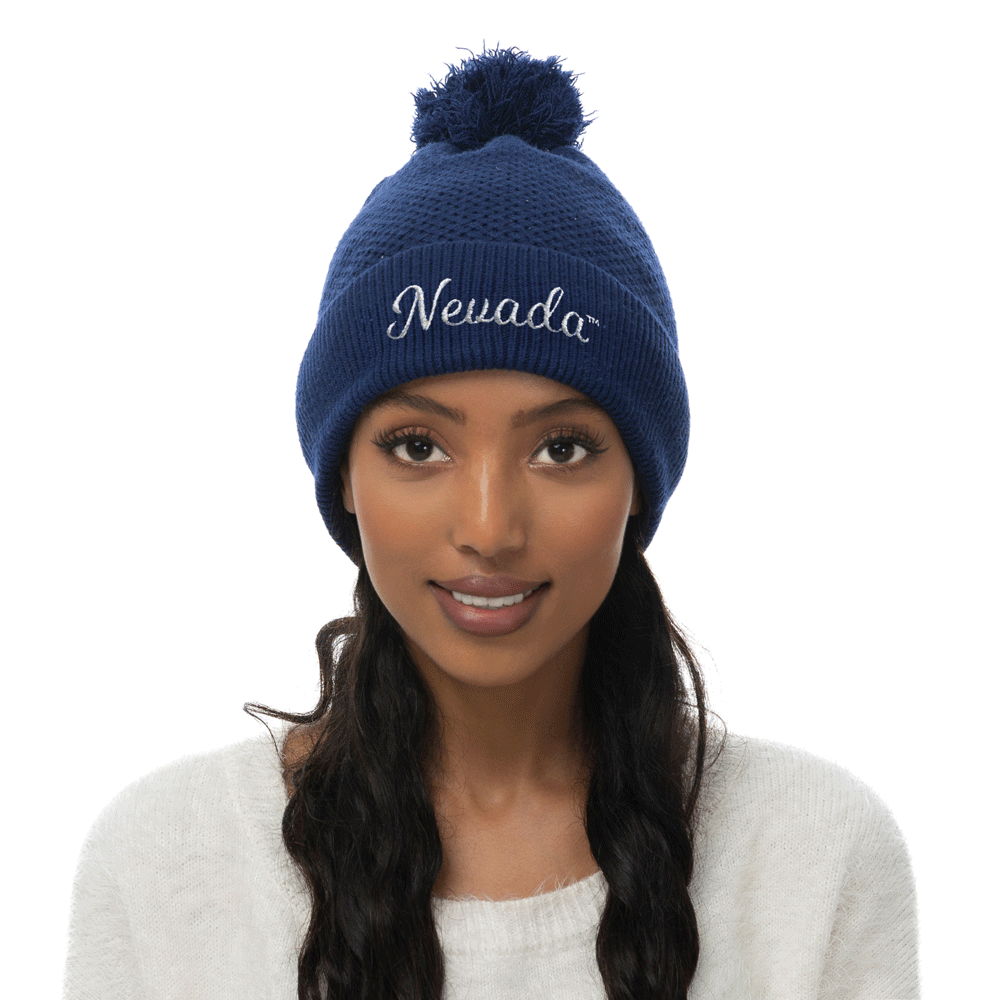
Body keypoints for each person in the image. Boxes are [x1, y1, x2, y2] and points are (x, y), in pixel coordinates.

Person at [62, 47, 919, 1000]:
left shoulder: (813, 860)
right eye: (417, 445)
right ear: (344, 477)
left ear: (640, 481)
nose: (489, 527)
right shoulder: (165, 868)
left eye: (562, 448)